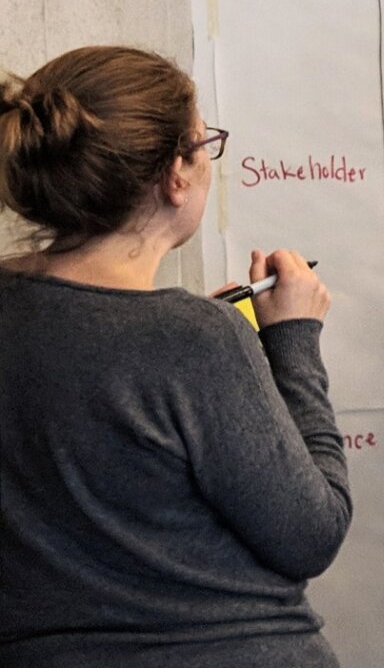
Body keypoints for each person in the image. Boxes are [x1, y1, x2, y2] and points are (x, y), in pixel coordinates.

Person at [0, 45, 348, 667]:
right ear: (175, 175)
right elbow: (311, 536)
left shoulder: (183, 337)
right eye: (205, 144)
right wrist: (293, 341)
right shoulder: (192, 338)